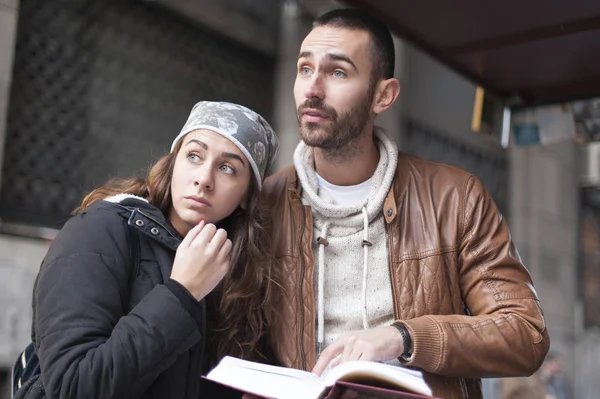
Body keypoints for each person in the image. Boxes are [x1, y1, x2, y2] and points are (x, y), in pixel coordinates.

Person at [261, 8, 550, 399]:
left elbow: (525, 333)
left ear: (384, 95)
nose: (313, 88)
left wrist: (403, 337)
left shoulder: (454, 197)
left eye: (338, 72)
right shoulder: (265, 206)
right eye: (305, 69)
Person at [26, 101, 279, 399]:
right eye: (194, 156)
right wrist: (181, 292)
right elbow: (74, 386)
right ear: (173, 163)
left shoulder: (240, 279)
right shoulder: (100, 230)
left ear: (246, 197)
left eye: (227, 168)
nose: (203, 179)